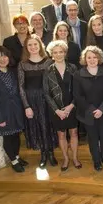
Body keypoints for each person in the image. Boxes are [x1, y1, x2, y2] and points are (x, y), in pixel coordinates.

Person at [0, 46, 27, 173]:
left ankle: (17, 156)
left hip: (17, 110)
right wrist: (0, 118)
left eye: (4, 56)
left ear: (9, 58)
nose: (2, 59)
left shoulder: (13, 72)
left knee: (16, 135)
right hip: (4, 113)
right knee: (8, 138)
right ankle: (13, 161)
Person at [18, 35, 57, 168]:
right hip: (31, 100)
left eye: (35, 44)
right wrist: (26, 106)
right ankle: (43, 153)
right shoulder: (23, 64)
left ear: (40, 45)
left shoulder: (49, 61)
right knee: (38, 126)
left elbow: (53, 83)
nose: (33, 47)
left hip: (47, 99)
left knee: (48, 125)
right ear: (26, 48)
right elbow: (21, 86)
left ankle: (51, 152)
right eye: (30, 45)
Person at [73, 46, 103, 171]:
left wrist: (101, 109)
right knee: (93, 138)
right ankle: (96, 161)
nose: (92, 60)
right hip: (87, 113)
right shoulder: (78, 75)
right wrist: (91, 110)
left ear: (99, 58)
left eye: (95, 57)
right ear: (84, 59)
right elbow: (77, 96)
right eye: (89, 57)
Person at [43, 40, 81, 171]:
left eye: (61, 52)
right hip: (57, 109)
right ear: (51, 54)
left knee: (74, 133)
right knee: (61, 135)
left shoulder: (73, 68)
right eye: (55, 52)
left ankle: (75, 158)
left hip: (72, 106)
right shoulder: (47, 70)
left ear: (65, 53)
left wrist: (72, 105)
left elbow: (79, 90)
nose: (58, 54)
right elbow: (46, 93)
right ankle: (65, 158)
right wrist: (57, 110)